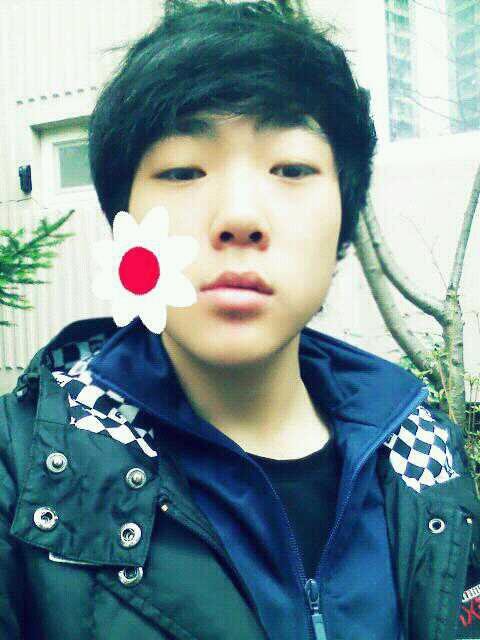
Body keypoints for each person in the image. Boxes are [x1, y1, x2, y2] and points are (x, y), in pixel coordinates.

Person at [1, 1, 479, 638]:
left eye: (291, 169)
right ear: (122, 228)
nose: (240, 216)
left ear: (343, 219)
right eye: (183, 170)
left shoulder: (427, 456)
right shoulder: (22, 468)